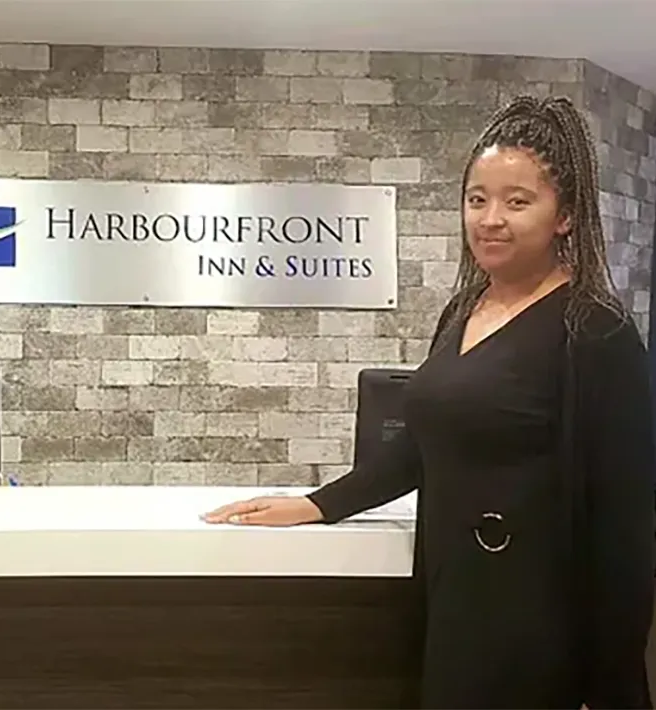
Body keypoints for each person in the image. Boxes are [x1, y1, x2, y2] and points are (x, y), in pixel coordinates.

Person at [203, 95, 656, 709]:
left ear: (565, 216)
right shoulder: (464, 311)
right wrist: (316, 504)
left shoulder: (594, 329)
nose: (490, 219)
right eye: (477, 199)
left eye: (517, 201)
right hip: (454, 600)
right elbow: (421, 444)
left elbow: (625, 529)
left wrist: (610, 686)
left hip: (539, 625)